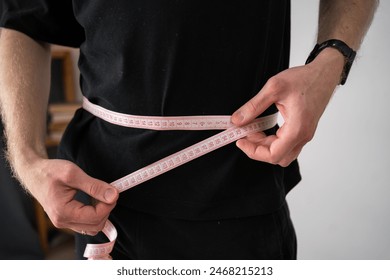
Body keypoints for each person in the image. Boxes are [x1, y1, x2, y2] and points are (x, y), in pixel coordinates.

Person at [0, 0, 377, 260]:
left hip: (242, 200)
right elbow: (23, 18)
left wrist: (331, 61)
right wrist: (28, 159)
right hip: (103, 204)